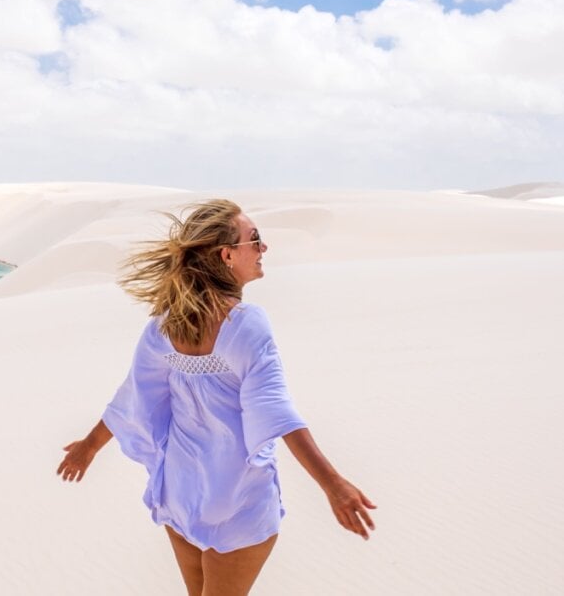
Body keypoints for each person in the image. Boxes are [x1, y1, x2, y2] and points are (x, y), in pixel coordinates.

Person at [57, 199, 376, 595]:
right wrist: (333, 484)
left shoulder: (164, 326)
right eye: (254, 240)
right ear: (227, 255)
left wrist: (90, 445)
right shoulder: (246, 325)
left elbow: (133, 399)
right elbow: (275, 410)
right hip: (236, 500)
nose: (263, 249)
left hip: (180, 493)